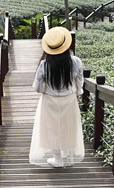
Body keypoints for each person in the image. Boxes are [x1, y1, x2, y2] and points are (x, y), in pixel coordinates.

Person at [29, 26, 85, 168]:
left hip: (49, 101)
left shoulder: (44, 64)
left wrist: (44, 89)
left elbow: (36, 87)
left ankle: (57, 158)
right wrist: (78, 92)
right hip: (69, 99)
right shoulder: (76, 61)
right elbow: (79, 81)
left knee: (51, 128)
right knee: (68, 125)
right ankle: (66, 152)